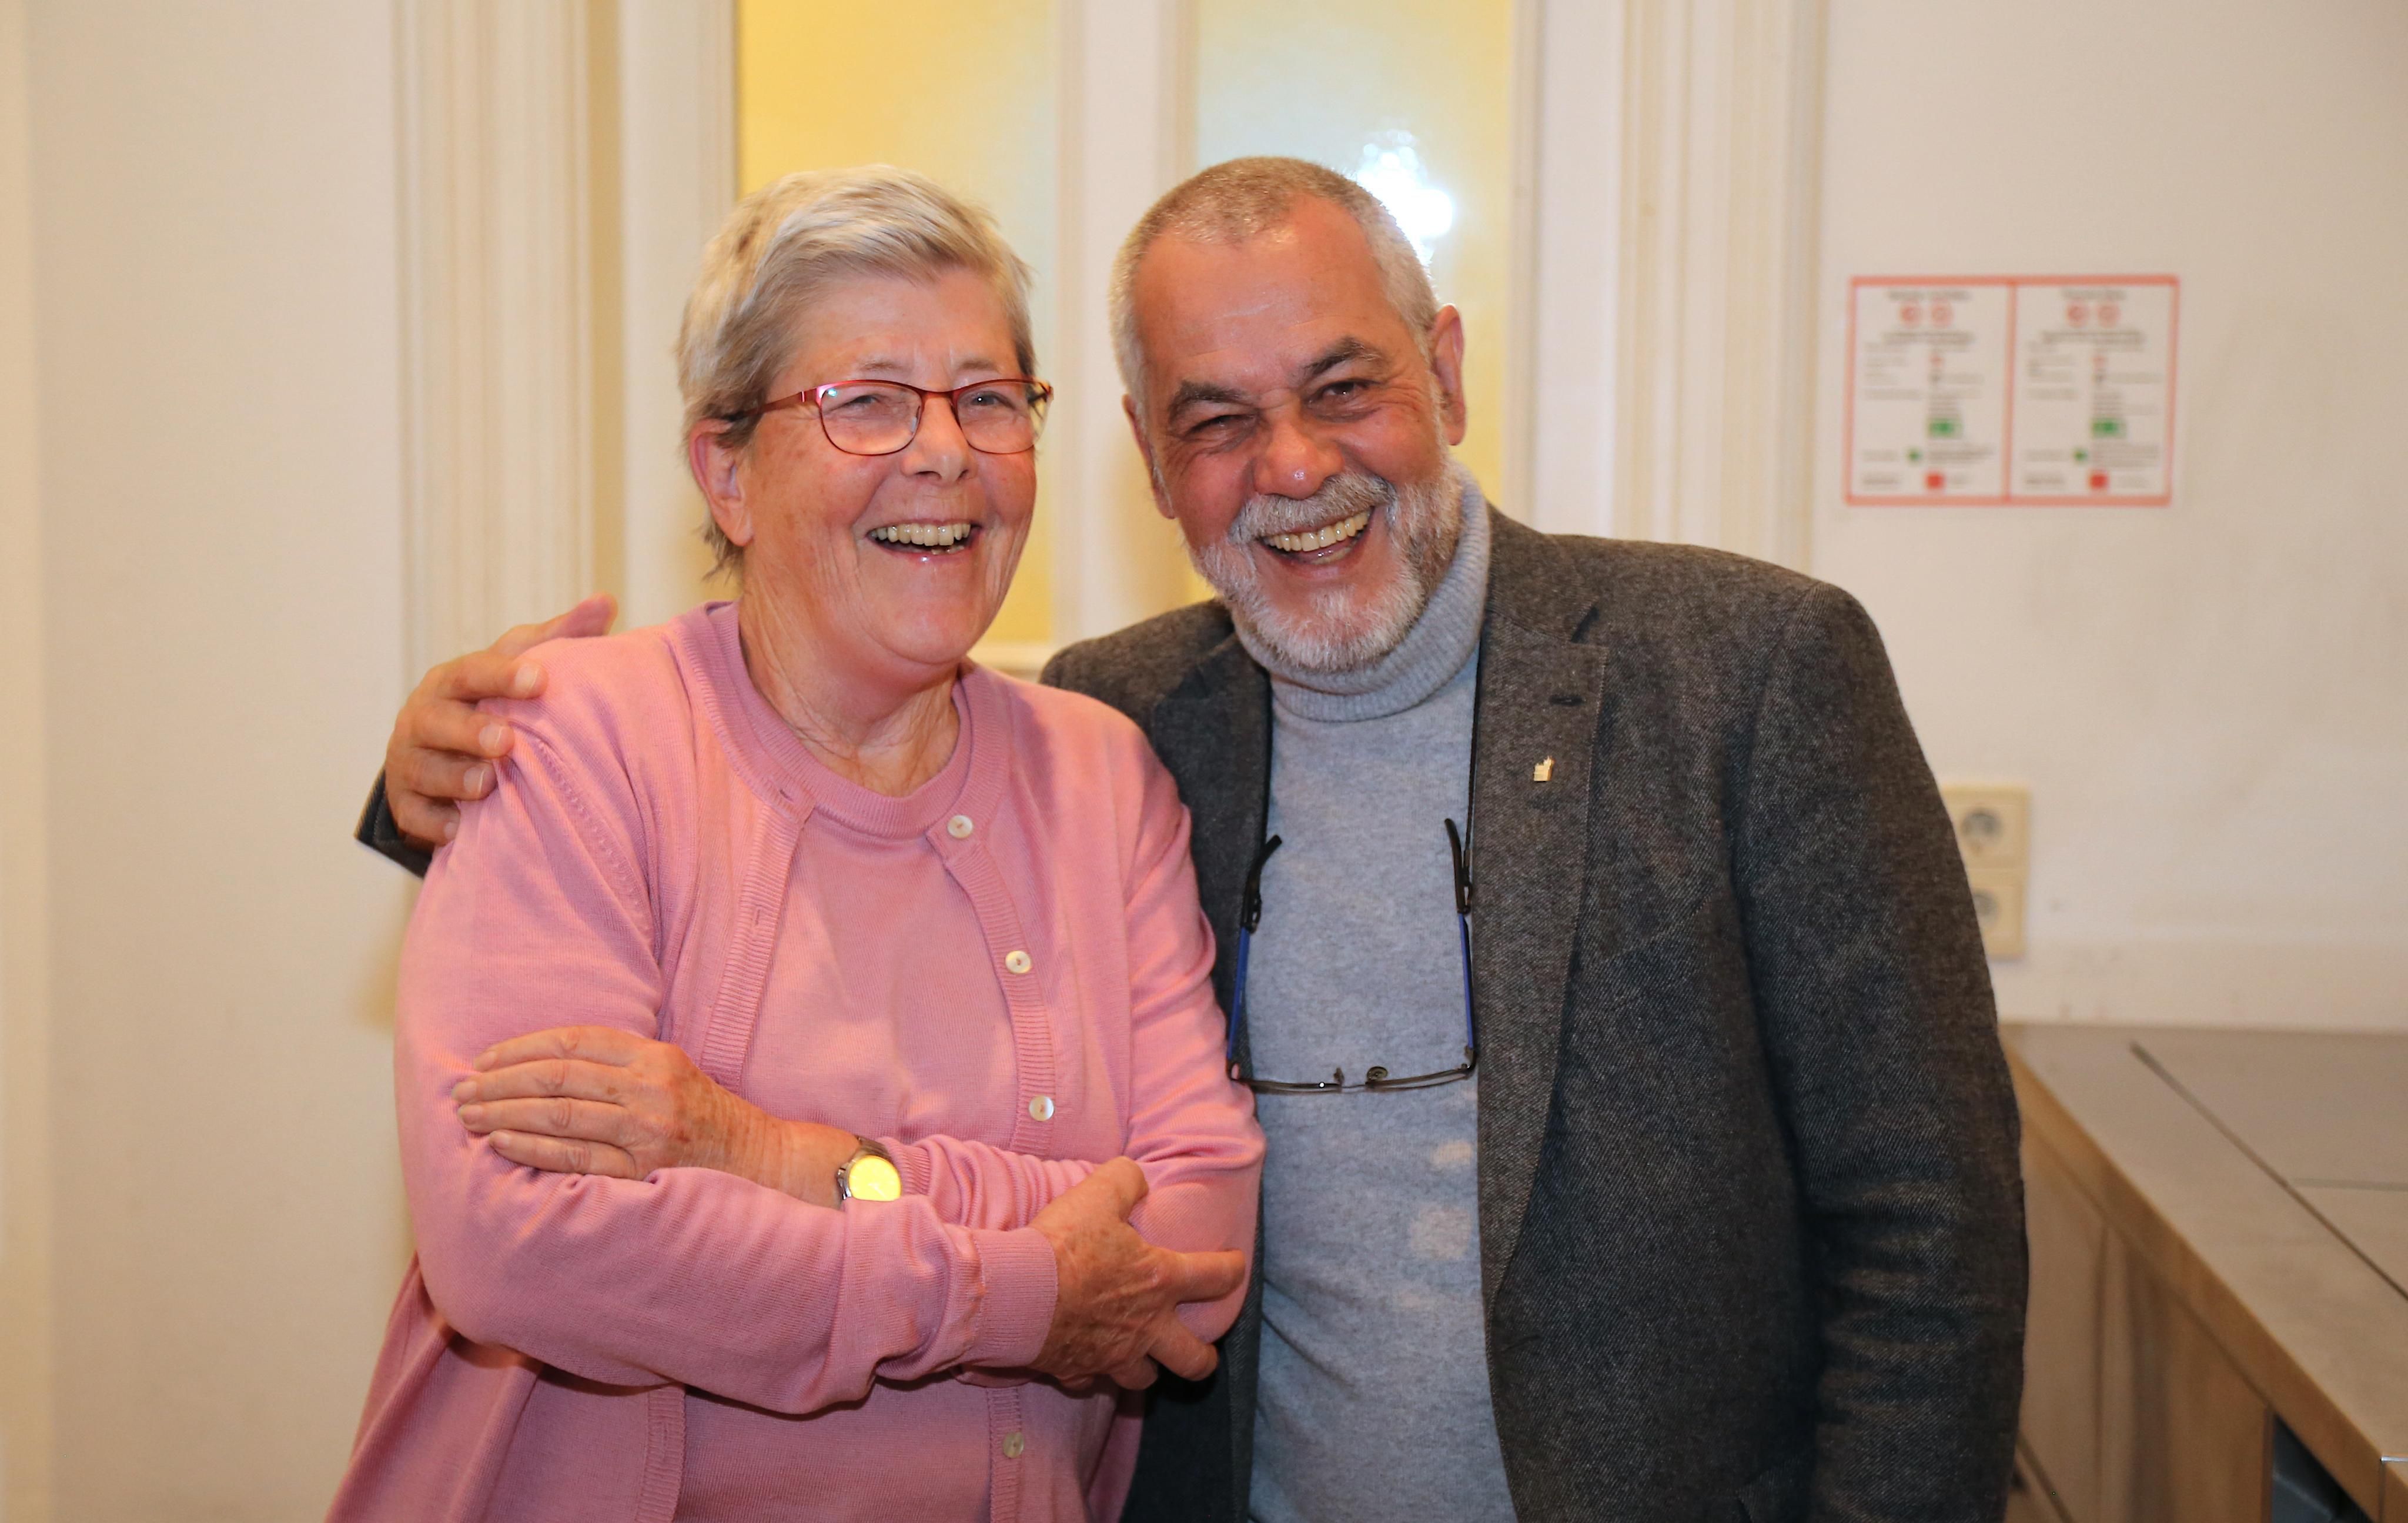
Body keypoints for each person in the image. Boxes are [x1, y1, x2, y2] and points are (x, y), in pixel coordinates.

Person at [367, 158, 2026, 1522]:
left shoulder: (1746, 670)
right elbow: (718, 796)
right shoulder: (1142, 711)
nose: (1292, 464)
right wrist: (437, 779)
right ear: (1152, 462)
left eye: (1344, 386)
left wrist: (775, 1156)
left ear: (1446, 374)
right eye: (1216, 417)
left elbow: (1927, 1222)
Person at [332, 166, 1262, 1523]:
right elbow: (520, 1243)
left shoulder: (1099, 770)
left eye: (987, 398)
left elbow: (1190, 1238)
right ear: (728, 474)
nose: (942, 450)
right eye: (865, 399)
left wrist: (768, 1156)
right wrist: (1020, 1287)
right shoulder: (571, 735)